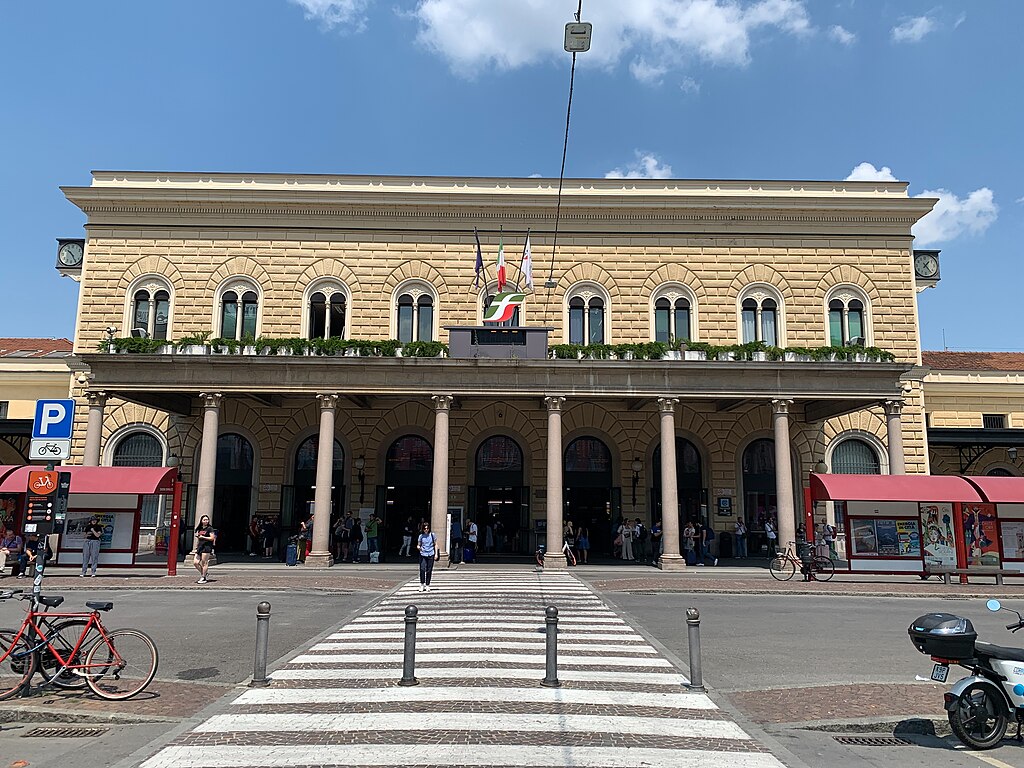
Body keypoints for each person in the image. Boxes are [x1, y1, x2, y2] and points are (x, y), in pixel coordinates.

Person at [193, 515, 217, 584]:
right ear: (201, 521)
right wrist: (197, 546)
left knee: (204, 562)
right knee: (195, 562)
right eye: (204, 520)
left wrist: (203, 537)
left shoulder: (210, 528)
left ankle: (203, 577)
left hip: (206, 547)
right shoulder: (200, 528)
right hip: (200, 546)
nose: (206, 521)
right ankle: (204, 573)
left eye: (207, 520)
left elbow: (212, 538)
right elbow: (199, 538)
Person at [416, 521, 438, 591]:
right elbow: (419, 544)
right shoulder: (421, 536)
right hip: (423, 554)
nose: (426, 530)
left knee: (429, 570)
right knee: (422, 569)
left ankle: (427, 584)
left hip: (431, 553)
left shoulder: (432, 535)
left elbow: (436, 544)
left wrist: (436, 554)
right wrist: (419, 547)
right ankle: (422, 584)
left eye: (427, 528)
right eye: (425, 528)